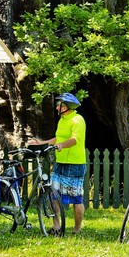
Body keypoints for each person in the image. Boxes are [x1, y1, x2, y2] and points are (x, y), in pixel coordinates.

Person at [29, 92, 86, 235]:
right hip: (60, 163)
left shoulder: (77, 120)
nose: (56, 107)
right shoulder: (62, 120)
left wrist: (63, 145)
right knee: (53, 194)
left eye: (59, 105)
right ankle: (56, 227)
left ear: (66, 106)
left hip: (75, 164)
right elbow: (57, 138)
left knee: (76, 198)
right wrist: (41, 143)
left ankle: (76, 230)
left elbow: (75, 139)